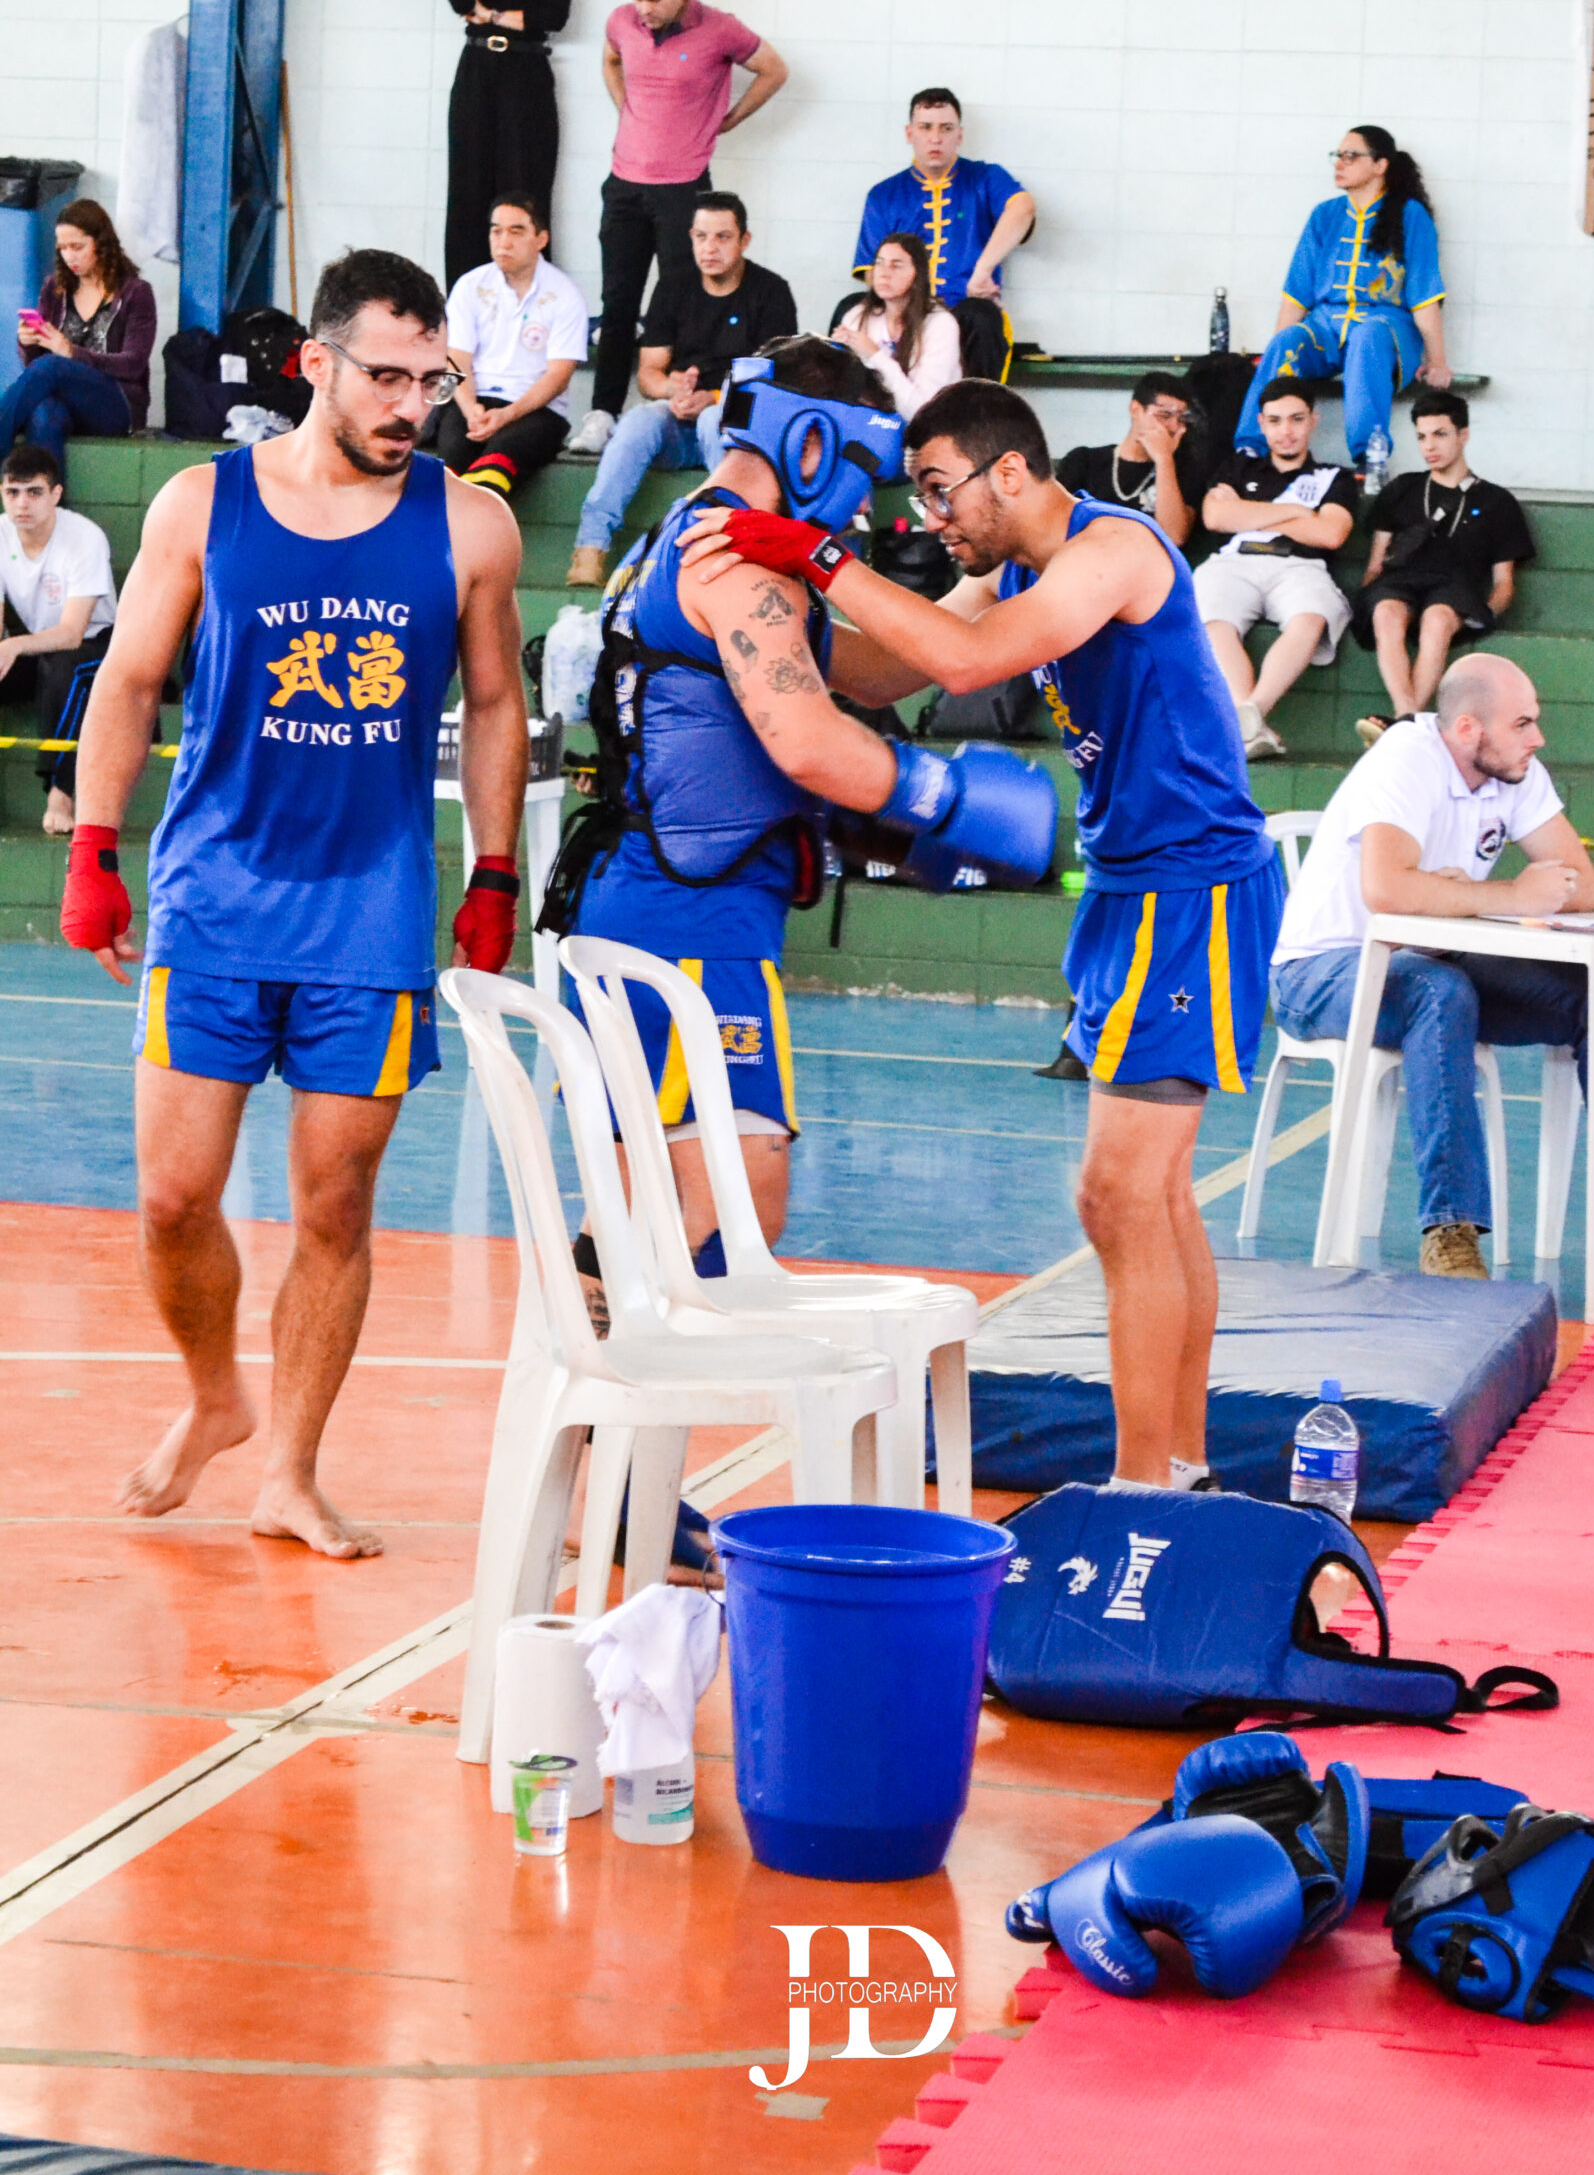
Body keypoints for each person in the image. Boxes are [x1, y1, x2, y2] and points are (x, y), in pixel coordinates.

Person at [683, 376, 1285, 1495]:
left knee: (1115, 1197)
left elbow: (969, 663)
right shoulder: (1007, 569)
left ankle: (1142, 1491)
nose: (929, 516)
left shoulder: (1117, 550)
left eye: (939, 488)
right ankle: (1185, 1469)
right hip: (1133, 887)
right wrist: (762, 595)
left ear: (1011, 471)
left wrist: (816, 560)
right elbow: (876, 669)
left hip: (1194, 888)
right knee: (1153, 1198)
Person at [60, 247, 529, 1558]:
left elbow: (496, 703)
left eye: (430, 383)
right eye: (384, 376)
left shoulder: (470, 524)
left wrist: (495, 870)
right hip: (213, 895)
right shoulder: (204, 506)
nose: (407, 405)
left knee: (335, 1205)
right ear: (312, 364)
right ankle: (215, 1401)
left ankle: (294, 1472)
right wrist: (92, 846)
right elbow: (130, 679)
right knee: (173, 1195)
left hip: (370, 912)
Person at [559, 338, 1046, 1292]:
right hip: (691, 926)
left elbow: (870, 666)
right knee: (732, 1204)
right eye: (864, 472)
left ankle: (584, 1429)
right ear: (813, 442)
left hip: (646, 903)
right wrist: (947, 798)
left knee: (640, 1212)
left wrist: (983, 594)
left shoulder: (698, 532)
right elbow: (808, 742)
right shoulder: (740, 566)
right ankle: (622, 1424)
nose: (868, 504)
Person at [1271, 655, 1594, 1288]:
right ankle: (1450, 1231)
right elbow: (1388, 892)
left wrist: (1465, 892)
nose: (1538, 738)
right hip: (1323, 970)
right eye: (1524, 723)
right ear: (1469, 728)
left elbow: (1579, 885)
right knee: (1437, 991)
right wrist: (1508, 896)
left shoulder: (1514, 772)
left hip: (1427, 961)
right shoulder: (1405, 757)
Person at [571, 0, 790, 461]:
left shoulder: (720, 28)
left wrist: (728, 120)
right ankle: (603, 413)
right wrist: (627, 108)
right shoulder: (621, 21)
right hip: (624, 182)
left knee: (679, 301)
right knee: (618, 301)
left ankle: (688, 407)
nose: (644, 8)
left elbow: (775, 71)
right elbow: (610, 56)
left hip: (683, 187)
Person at [567, 192, 796, 589]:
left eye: (723, 237)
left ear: (745, 240)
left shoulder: (770, 292)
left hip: (734, 429)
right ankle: (590, 547)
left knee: (712, 419)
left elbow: (773, 385)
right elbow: (649, 374)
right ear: (690, 237)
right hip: (677, 422)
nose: (710, 248)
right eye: (702, 236)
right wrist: (672, 388)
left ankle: (726, 544)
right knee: (639, 419)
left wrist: (711, 398)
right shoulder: (674, 286)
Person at [1234, 125, 1451, 466]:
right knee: (1285, 341)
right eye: (1338, 155)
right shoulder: (1324, 215)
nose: (1340, 163)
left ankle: (1370, 459)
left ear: (1380, 165)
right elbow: (1296, 294)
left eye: (1351, 156)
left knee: (1367, 336)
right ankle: (1250, 452)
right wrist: (1278, 349)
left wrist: (1437, 361)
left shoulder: (1411, 215)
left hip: (1385, 331)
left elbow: (1425, 297)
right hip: (1325, 330)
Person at [1352, 391, 1535, 745]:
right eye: (1421, 436)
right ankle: (1408, 721)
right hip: (1399, 584)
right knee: (1386, 612)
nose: (1428, 446)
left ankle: (1401, 724)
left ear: (1462, 435)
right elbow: (1376, 563)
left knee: (1437, 619)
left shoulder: (1496, 501)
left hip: (1454, 590)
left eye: (1440, 434)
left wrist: (1485, 616)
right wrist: (1365, 601)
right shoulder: (1403, 489)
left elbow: (1504, 582)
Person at [1194, 381, 1359, 761]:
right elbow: (1216, 516)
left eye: (1296, 419)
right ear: (1262, 424)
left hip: (1298, 565)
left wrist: (1248, 513)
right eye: (1275, 421)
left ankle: (1249, 714)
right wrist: (1300, 513)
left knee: (1310, 616)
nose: (1286, 431)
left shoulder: (1334, 476)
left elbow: (1331, 533)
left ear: (1313, 421)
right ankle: (1250, 727)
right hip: (1235, 562)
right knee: (1212, 617)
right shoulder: (1239, 467)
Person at [439, 0, 572, 289]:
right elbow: (461, 2)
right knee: (468, 187)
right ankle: (463, 305)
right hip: (477, 69)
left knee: (524, 186)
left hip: (526, 74)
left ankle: (527, 298)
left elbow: (551, 15)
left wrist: (493, 14)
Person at [853, 90, 1035, 382]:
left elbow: (1023, 208)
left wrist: (983, 270)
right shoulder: (884, 195)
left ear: (960, 134)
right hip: (904, 316)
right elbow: (872, 274)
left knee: (981, 315)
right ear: (909, 132)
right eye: (926, 127)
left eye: (946, 128)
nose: (935, 138)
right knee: (849, 308)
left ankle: (976, 420)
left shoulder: (985, 178)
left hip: (966, 311)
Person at [427, 195, 588, 500]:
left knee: (495, 468)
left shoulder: (565, 295)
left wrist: (508, 414)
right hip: (473, 400)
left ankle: (478, 539)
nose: (503, 242)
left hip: (536, 410)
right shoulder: (470, 285)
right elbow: (456, 357)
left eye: (516, 232)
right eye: (496, 231)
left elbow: (558, 376)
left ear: (541, 239)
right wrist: (469, 407)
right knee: (449, 467)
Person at [0, 442, 118, 833]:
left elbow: (71, 634)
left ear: (55, 494)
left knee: (65, 669)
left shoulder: (84, 538)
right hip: (35, 643)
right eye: (12, 492)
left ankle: (61, 794)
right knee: (46, 663)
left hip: (97, 644)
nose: (22, 504)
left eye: (34, 492)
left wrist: (13, 645)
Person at [3, 199, 157, 467]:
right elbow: (34, 367)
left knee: (54, 366)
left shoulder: (136, 292)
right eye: (62, 248)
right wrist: (27, 343)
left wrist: (72, 353)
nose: (69, 256)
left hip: (117, 407)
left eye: (77, 246)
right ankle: (49, 506)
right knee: (45, 413)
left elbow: (133, 364)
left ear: (101, 242)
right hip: (67, 402)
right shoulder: (55, 288)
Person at [1057, 373, 1211, 551]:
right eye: (1165, 415)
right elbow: (1055, 525)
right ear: (1136, 410)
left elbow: (1173, 537)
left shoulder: (1186, 470)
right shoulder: (1084, 461)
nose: (1175, 427)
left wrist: (1164, 460)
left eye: (1181, 418)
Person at [830, 232, 962, 421]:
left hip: (926, 436)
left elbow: (921, 414)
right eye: (879, 263)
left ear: (917, 274)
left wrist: (875, 356)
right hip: (867, 426)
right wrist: (836, 354)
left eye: (896, 266)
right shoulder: (857, 316)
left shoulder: (941, 325)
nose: (884, 273)